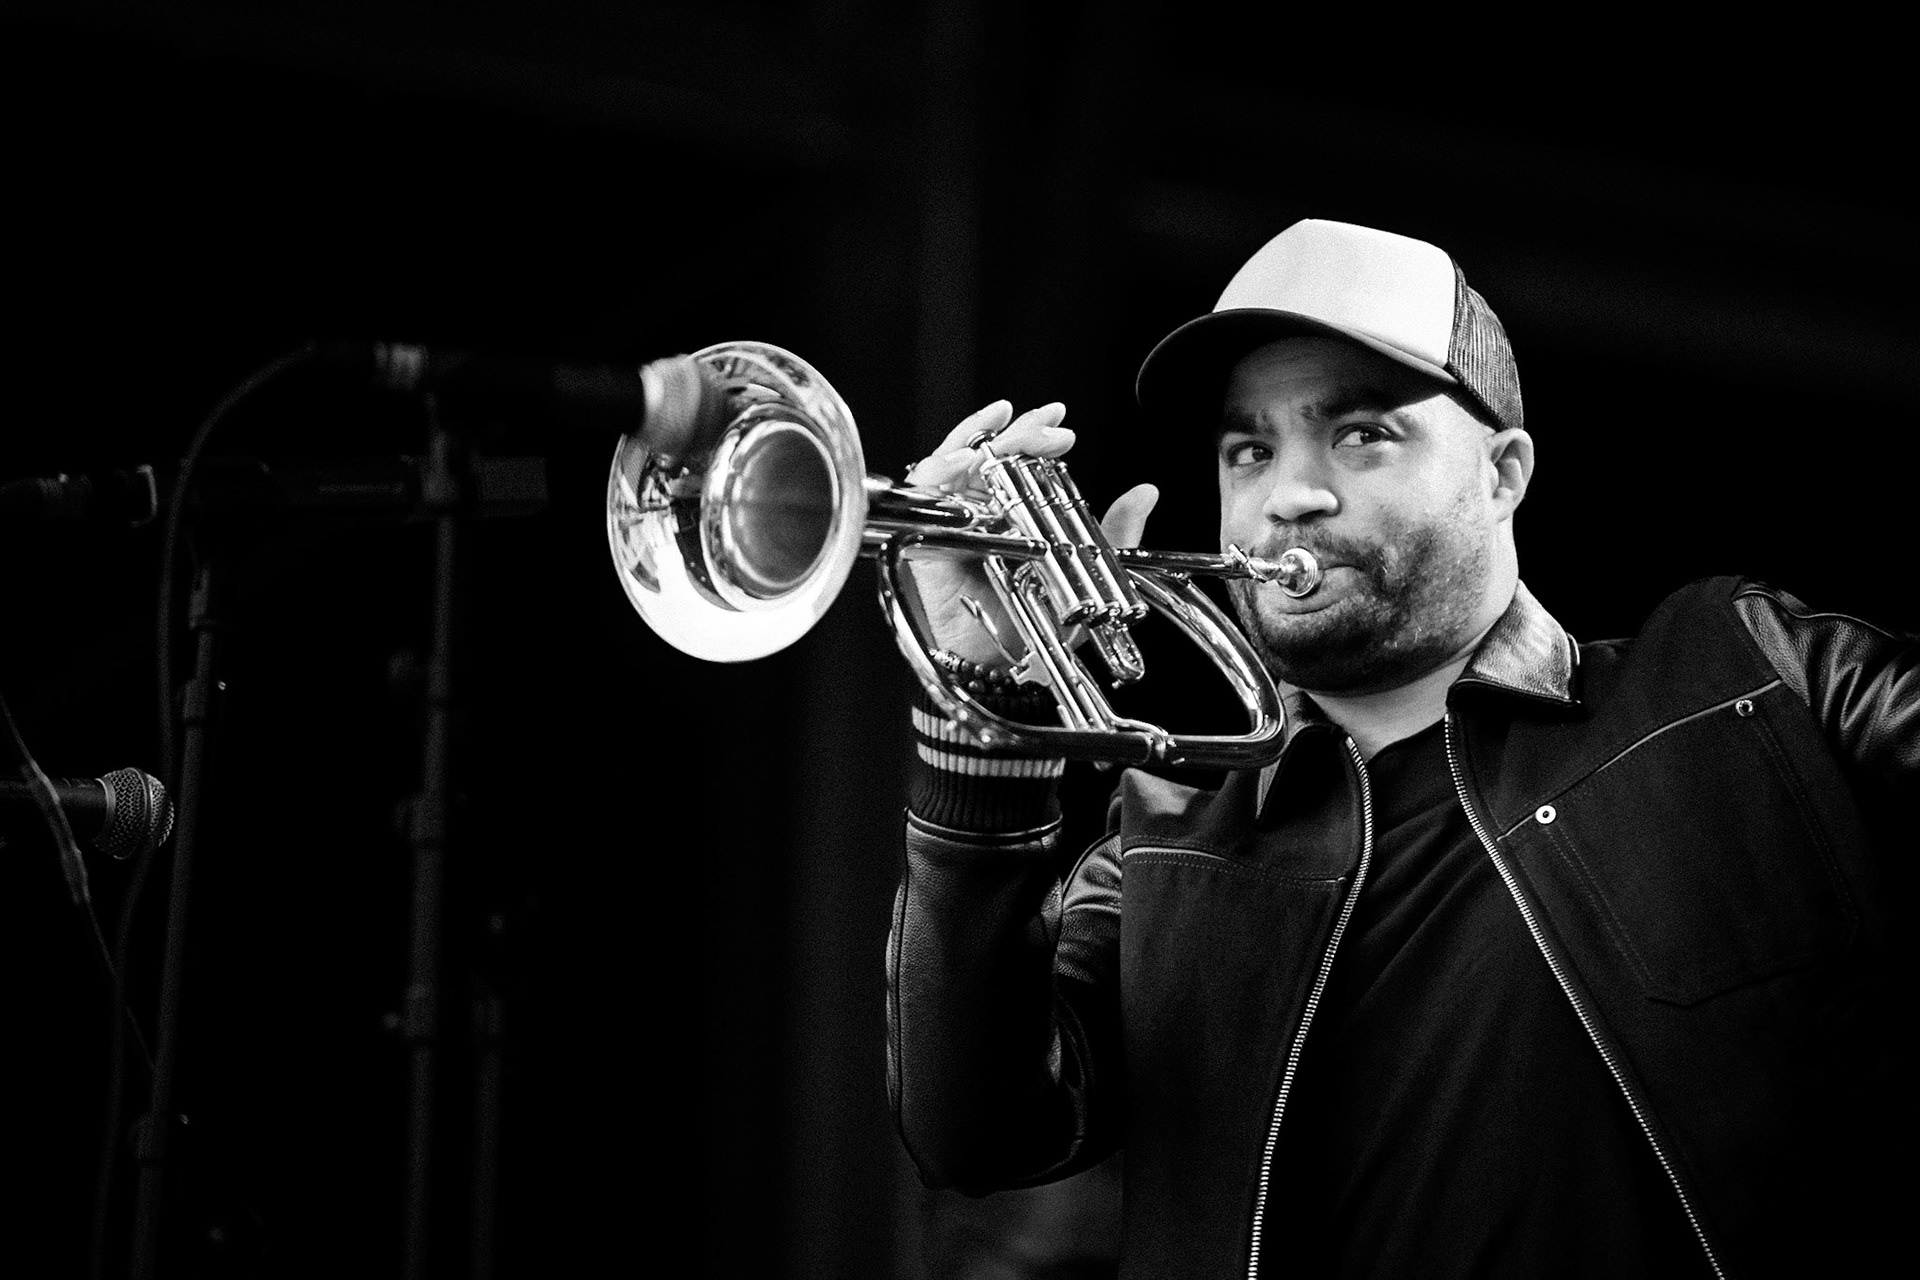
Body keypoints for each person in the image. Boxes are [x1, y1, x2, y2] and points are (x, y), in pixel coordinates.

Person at [885, 219, 1912, 1278]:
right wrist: (981, 696)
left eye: (1361, 433)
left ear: (1505, 470)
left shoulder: (1741, 673)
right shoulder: (1166, 834)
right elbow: (978, 1129)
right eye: (1250, 448)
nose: (1290, 494)